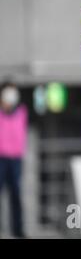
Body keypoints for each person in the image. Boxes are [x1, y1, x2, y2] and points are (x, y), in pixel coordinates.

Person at [0, 81, 28, 238]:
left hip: (16, 159)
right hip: (1, 158)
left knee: (16, 195)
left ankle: (17, 230)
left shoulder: (22, 111)